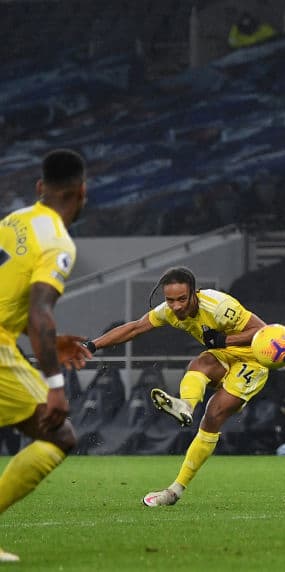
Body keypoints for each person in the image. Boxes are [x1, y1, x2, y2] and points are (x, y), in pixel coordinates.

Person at [83, 266, 272, 507]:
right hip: (224, 356)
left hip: (252, 362)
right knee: (200, 362)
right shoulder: (169, 312)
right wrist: (92, 345)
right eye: (170, 300)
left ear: (194, 293)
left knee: (212, 415)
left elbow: (264, 331)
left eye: (182, 299)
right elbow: (135, 328)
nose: (177, 306)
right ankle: (185, 406)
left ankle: (175, 489)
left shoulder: (220, 307)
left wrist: (225, 340)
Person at [0, 149, 93, 563]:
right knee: (59, 435)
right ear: (82, 192)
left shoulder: (12, 221)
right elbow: (40, 310)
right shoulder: (57, 241)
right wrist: (56, 386)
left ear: (40, 188)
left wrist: (50, 342)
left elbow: (11, 299)